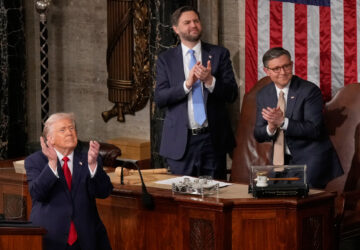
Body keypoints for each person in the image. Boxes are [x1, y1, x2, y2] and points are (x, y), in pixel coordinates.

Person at [154, 6, 238, 180]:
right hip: (181, 143)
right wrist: (186, 84)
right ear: (176, 29)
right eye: (187, 22)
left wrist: (210, 81)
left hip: (212, 141)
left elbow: (231, 94)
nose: (193, 25)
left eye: (196, 21)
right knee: (180, 199)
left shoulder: (219, 54)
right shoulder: (165, 59)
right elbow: (160, 98)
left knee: (215, 198)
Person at [254, 47, 343, 188]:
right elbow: (258, 133)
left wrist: (282, 122)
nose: (283, 72)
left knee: (299, 204)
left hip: (310, 159)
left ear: (292, 64)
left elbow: (314, 129)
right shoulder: (263, 94)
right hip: (281, 163)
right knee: (266, 198)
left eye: (286, 66)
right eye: (276, 68)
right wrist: (270, 127)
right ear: (267, 71)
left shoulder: (309, 91)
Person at [25, 113, 112, 250]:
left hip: (86, 238)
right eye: (63, 130)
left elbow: (104, 192)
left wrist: (93, 166)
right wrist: (52, 164)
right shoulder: (35, 161)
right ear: (50, 139)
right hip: (50, 238)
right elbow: (37, 194)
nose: (69, 133)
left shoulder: (89, 159)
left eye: (72, 128)